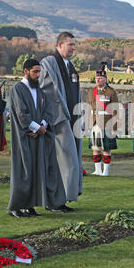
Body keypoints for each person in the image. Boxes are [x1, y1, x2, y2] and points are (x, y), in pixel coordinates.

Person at [7, 59, 67, 218]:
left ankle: (30, 206)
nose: (38, 75)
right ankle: (16, 206)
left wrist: (43, 126)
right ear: (25, 71)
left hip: (38, 136)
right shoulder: (17, 89)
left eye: (39, 72)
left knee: (36, 171)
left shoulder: (39, 90)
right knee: (23, 171)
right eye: (35, 72)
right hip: (24, 138)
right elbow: (21, 114)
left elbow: (48, 110)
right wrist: (36, 127)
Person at [38, 31, 82, 212]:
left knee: (67, 161)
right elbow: (46, 91)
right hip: (57, 120)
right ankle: (53, 201)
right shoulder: (48, 64)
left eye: (74, 45)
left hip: (71, 120)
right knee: (60, 161)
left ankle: (61, 200)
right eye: (70, 44)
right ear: (59, 45)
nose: (73, 48)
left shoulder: (70, 66)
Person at [87, 62, 118, 176]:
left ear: (105, 79)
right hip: (95, 122)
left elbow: (115, 110)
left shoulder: (111, 92)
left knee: (106, 148)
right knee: (96, 147)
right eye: (97, 78)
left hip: (107, 123)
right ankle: (97, 170)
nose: (98, 80)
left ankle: (106, 171)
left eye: (100, 78)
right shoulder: (92, 92)